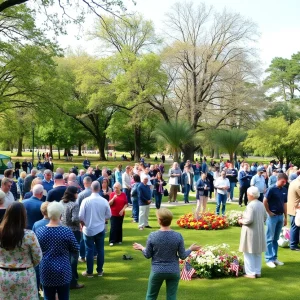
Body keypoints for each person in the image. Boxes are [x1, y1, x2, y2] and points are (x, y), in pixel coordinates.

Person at [133, 208, 200, 300]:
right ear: (170, 220)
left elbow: (148, 255)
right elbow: (183, 256)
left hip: (157, 271)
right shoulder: (178, 236)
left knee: (151, 296)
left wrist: (141, 248)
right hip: (173, 271)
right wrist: (190, 249)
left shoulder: (153, 236)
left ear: (159, 220)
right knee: (171, 297)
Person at [36, 201, 80, 299]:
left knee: (48, 296)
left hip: (46, 269)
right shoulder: (66, 231)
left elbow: (36, 251)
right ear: (61, 214)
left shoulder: (40, 231)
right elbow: (76, 248)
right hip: (63, 269)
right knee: (64, 297)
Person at [0, 202, 42, 299]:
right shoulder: (29, 235)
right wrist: (27, 263)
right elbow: (38, 257)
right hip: (25, 275)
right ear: (23, 215)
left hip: (3, 275)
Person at [79, 181, 111, 278]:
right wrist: (103, 219)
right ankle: (100, 270)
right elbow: (109, 215)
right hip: (100, 228)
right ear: (99, 188)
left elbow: (80, 216)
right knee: (100, 250)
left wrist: (83, 223)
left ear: (91, 188)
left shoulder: (86, 200)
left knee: (89, 250)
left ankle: (89, 272)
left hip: (88, 229)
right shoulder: (104, 201)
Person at [238, 186, 266, 279]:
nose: (247, 195)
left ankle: (250, 273)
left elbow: (249, 220)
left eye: (248, 194)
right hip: (259, 230)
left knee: (248, 251)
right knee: (257, 252)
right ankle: (257, 271)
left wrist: (241, 221)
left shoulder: (251, 205)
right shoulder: (261, 204)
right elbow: (265, 217)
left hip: (250, 231)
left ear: (250, 195)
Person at [60, 186, 84, 290]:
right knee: (74, 256)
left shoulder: (61, 203)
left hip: (62, 230)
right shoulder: (74, 205)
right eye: (76, 192)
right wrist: (81, 222)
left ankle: (66, 279)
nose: (77, 194)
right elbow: (75, 218)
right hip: (73, 231)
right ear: (73, 194)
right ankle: (73, 281)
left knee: (65, 256)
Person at [264, 173, 288, 268]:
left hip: (280, 216)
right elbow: (265, 201)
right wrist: (268, 212)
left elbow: (285, 204)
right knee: (269, 238)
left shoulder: (284, 190)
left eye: (285, 182)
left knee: (276, 239)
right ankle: (269, 259)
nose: (284, 183)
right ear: (278, 179)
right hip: (272, 216)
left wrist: (285, 217)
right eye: (283, 182)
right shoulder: (271, 189)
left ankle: (274, 258)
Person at [287, 174, 300, 251]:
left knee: (295, 226)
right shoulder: (298, 185)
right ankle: (293, 244)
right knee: (295, 226)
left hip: (292, 208)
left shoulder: (294, 182)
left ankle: (294, 243)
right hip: (295, 209)